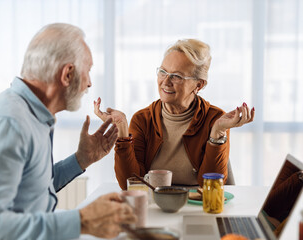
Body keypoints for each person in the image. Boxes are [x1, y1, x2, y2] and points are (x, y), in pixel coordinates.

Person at [0, 23, 136, 240]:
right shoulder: (8, 123)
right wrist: (81, 220)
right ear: (67, 74)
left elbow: (30, 192)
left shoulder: (33, 116)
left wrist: (81, 160)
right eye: (89, 71)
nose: (90, 83)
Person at [94, 39, 255, 189]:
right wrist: (122, 130)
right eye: (163, 71)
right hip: (155, 207)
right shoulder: (143, 120)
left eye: (177, 76)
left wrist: (218, 132)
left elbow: (210, 187)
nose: (166, 81)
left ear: (198, 85)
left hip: (198, 208)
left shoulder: (215, 119)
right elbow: (130, 184)